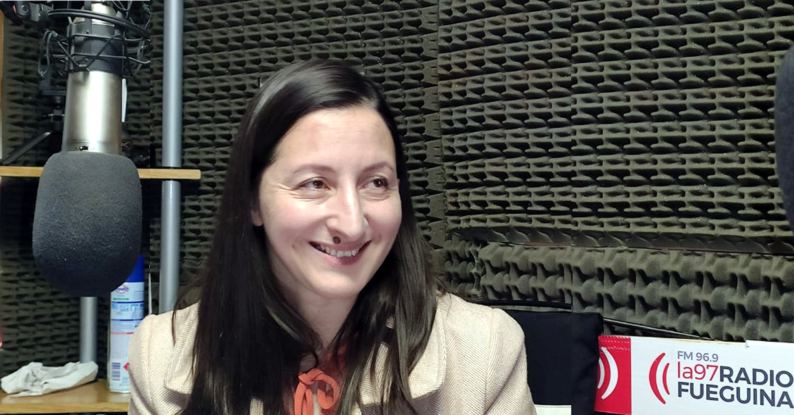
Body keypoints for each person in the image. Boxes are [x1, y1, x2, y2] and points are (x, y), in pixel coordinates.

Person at [128, 60, 535, 415]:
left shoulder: (484, 351)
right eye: (315, 183)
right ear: (252, 201)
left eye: (376, 182)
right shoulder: (160, 354)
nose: (352, 224)